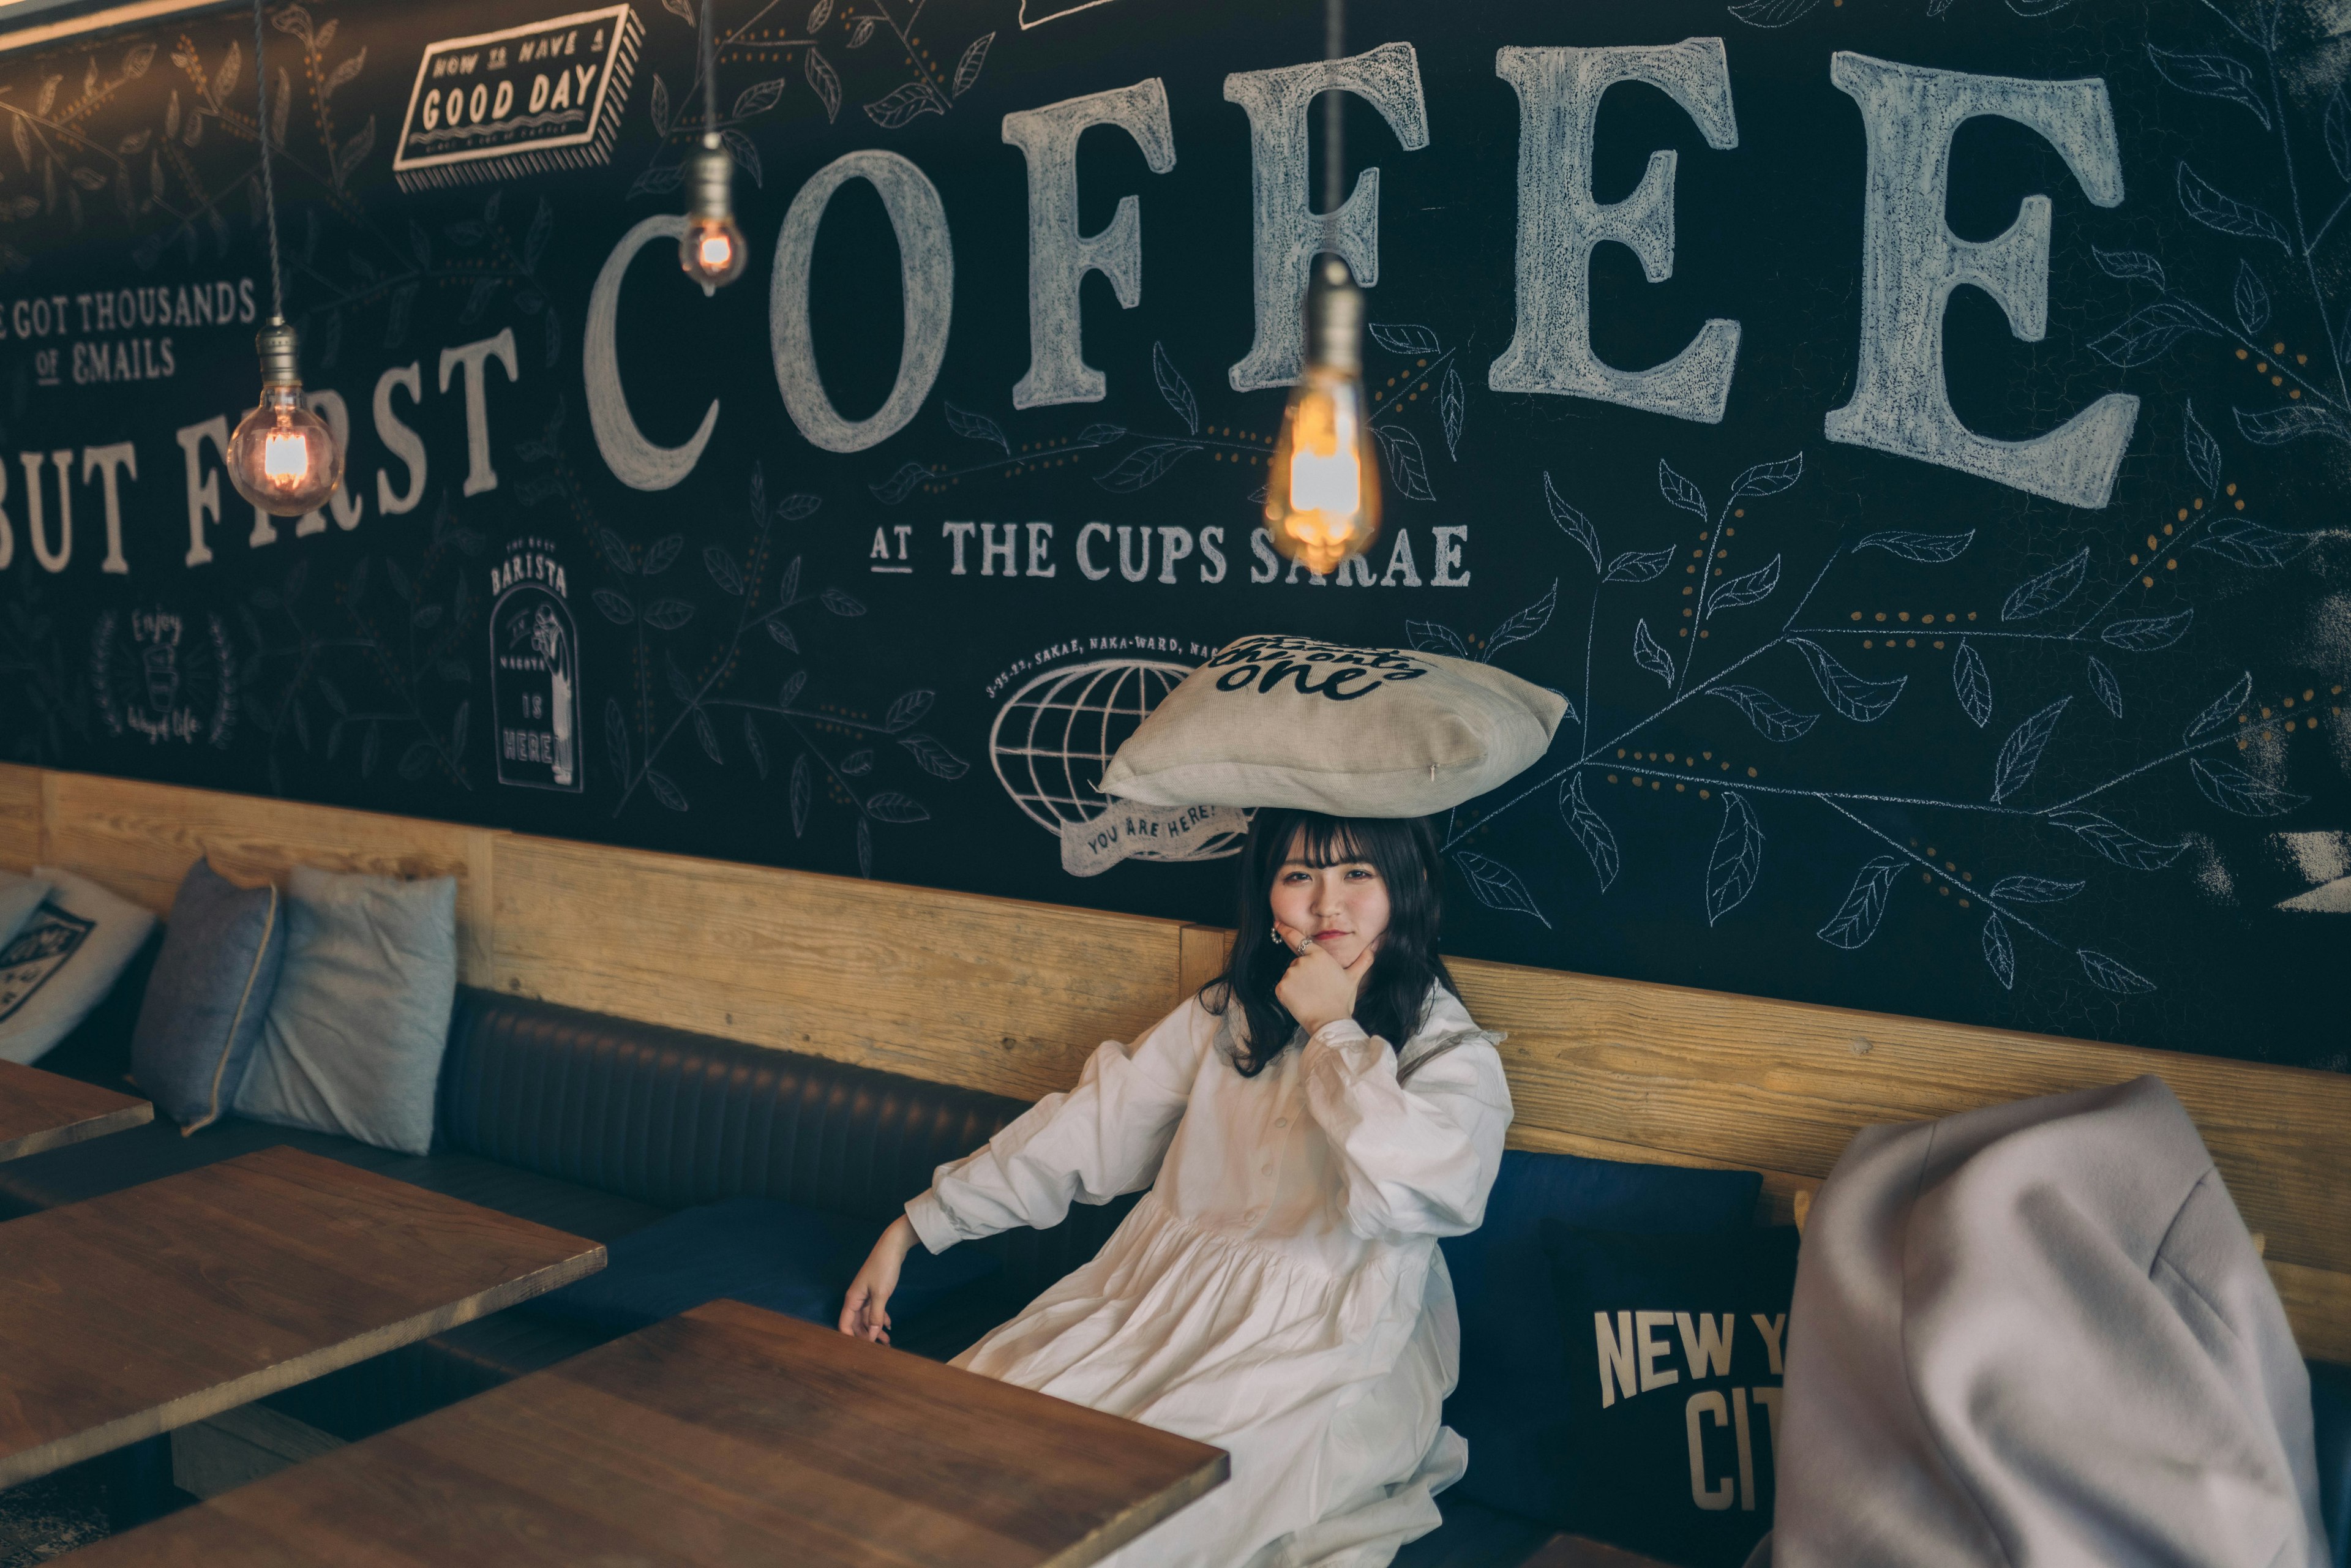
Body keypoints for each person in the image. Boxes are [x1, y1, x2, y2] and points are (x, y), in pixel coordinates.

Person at [840, 809, 1513, 1567]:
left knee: (1141, 1525)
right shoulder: (1232, 1012)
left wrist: (1333, 1028)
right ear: (1267, 895)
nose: (1329, 905)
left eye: (1360, 873)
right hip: (1149, 1301)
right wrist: (919, 1225)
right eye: (1300, 875)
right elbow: (1091, 1128)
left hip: (1326, 1341)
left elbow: (1421, 1191)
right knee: (945, 1451)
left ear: (1413, 883)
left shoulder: (1450, 1049)